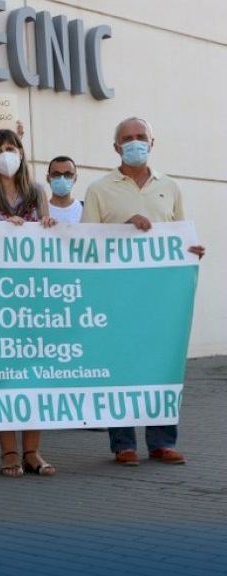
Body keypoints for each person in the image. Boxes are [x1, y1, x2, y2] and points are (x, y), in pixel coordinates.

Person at [82, 117, 205, 467]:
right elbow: (85, 244)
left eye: (140, 137)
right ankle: (123, 444)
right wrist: (122, 230)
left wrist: (191, 250)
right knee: (119, 365)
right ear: (116, 147)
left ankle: (162, 442)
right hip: (116, 296)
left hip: (161, 297)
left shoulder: (170, 187)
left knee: (161, 365)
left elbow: (179, 233)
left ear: (152, 143)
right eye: (127, 138)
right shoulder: (99, 189)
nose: (134, 143)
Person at [0, 129, 60, 476]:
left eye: (11, 147)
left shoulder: (37, 192)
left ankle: (32, 451)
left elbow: (48, 238)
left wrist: (46, 225)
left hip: (34, 297)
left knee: (35, 375)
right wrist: (0, 230)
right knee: (3, 376)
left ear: (21, 152)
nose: (6, 154)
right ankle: (8, 453)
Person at [45, 156, 82, 224]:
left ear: (75, 178)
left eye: (68, 174)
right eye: (56, 174)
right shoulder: (38, 212)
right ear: (48, 178)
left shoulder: (85, 209)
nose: (62, 178)